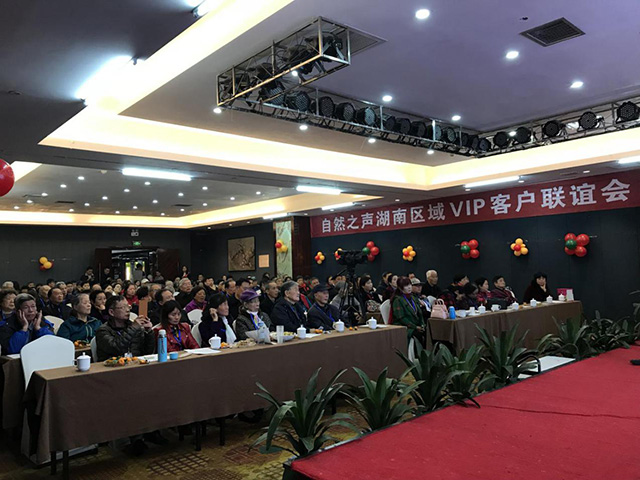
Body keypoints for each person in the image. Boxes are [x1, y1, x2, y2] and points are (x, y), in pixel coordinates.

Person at [95, 295, 155, 361]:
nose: (128, 310)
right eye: (123, 307)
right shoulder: (103, 331)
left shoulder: (134, 327)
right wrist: (133, 328)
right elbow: (116, 348)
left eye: (128, 306)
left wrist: (148, 332)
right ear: (111, 312)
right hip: (113, 365)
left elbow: (147, 352)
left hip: (135, 363)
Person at [390, 277, 426, 346]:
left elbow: (420, 313)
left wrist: (422, 324)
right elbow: (401, 318)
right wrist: (415, 327)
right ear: (400, 288)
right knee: (418, 335)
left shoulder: (413, 298)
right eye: (406, 286)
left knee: (427, 332)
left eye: (409, 284)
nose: (409, 287)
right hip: (404, 326)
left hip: (415, 325)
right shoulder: (397, 300)